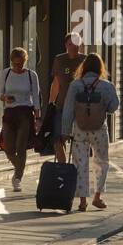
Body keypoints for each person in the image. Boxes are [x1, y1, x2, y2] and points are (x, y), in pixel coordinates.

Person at [61, 53, 119, 211]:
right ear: (100, 67)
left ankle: (82, 201)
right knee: (101, 162)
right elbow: (114, 107)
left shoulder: (75, 85)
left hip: (79, 130)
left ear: (84, 67)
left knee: (80, 163)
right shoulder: (106, 85)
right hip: (99, 130)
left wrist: (65, 131)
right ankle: (97, 197)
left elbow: (68, 110)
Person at [0, 47, 40, 192]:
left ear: (25, 61)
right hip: (10, 112)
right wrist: (5, 98)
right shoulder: (6, 73)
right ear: (11, 62)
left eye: (20, 64)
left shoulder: (31, 75)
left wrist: (38, 117)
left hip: (25, 112)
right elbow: (0, 94)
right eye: (15, 64)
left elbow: (36, 97)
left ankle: (17, 178)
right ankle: (19, 166)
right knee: (8, 147)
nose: (18, 67)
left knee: (21, 147)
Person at [49, 34, 83, 162]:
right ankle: (63, 167)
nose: (73, 47)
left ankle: (76, 168)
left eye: (76, 44)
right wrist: (51, 103)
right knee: (58, 138)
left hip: (80, 107)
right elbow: (56, 83)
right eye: (70, 44)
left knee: (78, 139)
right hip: (62, 105)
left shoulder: (85, 60)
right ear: (65, 45)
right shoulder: (59, 60)